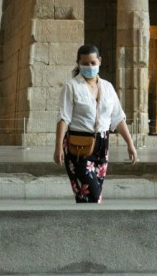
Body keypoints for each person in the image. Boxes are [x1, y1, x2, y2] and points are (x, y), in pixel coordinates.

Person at [54, 45, 138, 203]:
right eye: (85, 63)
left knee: (91, 194)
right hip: (78, 145)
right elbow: (63, 117)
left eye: (93, 63)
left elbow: (118, 117)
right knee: (91, 192)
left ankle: (85, 226)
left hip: (102, 145)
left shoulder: (107, 87)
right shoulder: (71, 86)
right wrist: (58, 146)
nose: (89, 67)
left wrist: (130, 143)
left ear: (99, 61)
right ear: (78, 63)